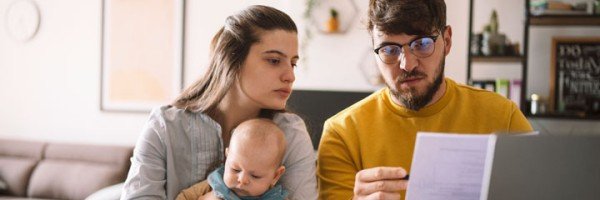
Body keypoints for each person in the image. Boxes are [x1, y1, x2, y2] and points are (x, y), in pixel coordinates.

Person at [316, 0, 533, 199]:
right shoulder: (341, 133)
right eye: (389, 50)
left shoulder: (503, 116)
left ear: (447, 41)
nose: (407, 64)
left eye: (421, 44)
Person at [121, 5, 317, 200]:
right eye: (274, 60)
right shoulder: (164, 127)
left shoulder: (291, 134)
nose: (290, 76)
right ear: (232, 60)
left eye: (293, 63)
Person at [176, 118, 288, 200]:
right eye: (235, 169)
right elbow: (184, 197)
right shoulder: (214, 184)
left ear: (275, 175)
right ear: (227, 157)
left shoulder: (276, 198)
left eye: (255, 176)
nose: (242, 180)